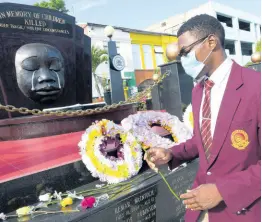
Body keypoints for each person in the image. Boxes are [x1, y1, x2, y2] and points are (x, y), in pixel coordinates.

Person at [144, 14, 261, 222]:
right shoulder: (199, 90)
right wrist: (171, 154)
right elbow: (205, 141)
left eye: (185, 52)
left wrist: (222, 191)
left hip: (241, 210)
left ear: (211, 42)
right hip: (200, 210)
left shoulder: (255, 86)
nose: (182, 60)